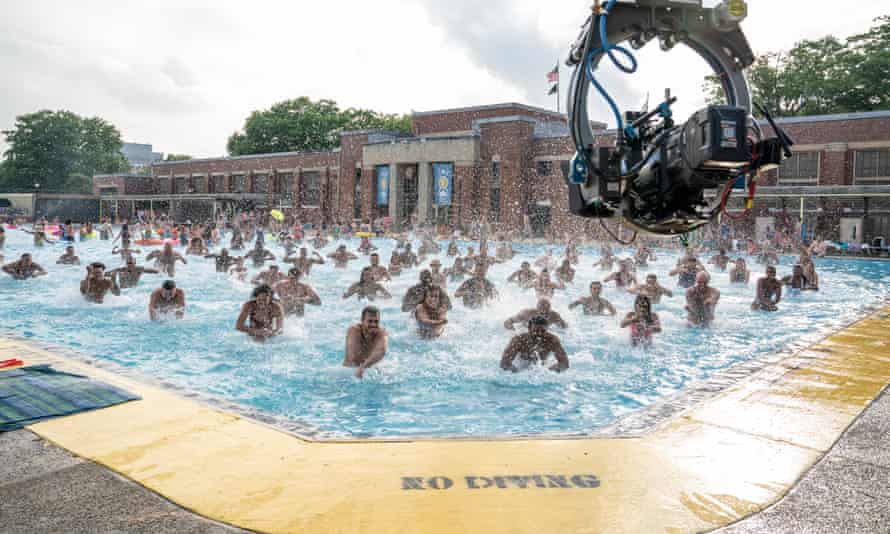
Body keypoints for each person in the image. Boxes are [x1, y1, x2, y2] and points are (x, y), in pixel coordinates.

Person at [500, 316, 569, 373]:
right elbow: (504, 363)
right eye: (535, 331)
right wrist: (517, 373)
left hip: (541, 367)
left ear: (547, 330)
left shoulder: (552, 340)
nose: (539, 334)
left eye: (543, 331)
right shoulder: (518, 340)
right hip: (521, 365)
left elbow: (564, 363)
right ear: (529, 329)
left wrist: (548, 371)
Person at [343, 306, 388, 379]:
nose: (373, 325)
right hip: (349, 372)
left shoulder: (381, 333)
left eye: (376, 321)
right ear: (362, 321)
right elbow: (354, 357)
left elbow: (382, 351)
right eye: (370, 321)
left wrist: (363, 367)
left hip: (364, 369)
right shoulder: (354, 330)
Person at [504, 299, 568, 330]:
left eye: (546, 312)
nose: (544, 315)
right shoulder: (527, 313)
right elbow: (507, 321)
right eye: (542, 312)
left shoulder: (554, 316)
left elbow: (564, 327)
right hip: (525, 329)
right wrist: (514, 332)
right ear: (537, 309)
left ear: (550, 309)